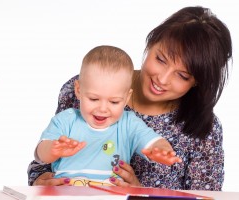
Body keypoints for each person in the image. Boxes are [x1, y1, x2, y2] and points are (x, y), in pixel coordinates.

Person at [28, 6, 232, 191]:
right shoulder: (90, 83)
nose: (162, 79)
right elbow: (44, 159)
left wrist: (141, 193)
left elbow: (206, 196)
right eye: (160, 59)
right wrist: (40, 181)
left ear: (197, 81)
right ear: (151, 44)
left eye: (183, 75)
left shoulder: (202, 126)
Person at [35, 45, 182, 186]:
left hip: (112, 193)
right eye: (94, 99)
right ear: (78, 90)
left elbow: (152, 141)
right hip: (67, 192)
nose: (103, 108)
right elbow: (41, 153)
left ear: (126, 98)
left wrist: (162, 150)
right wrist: (53, 149)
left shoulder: (128, 123)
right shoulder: (66, 120)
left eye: (114, 101)